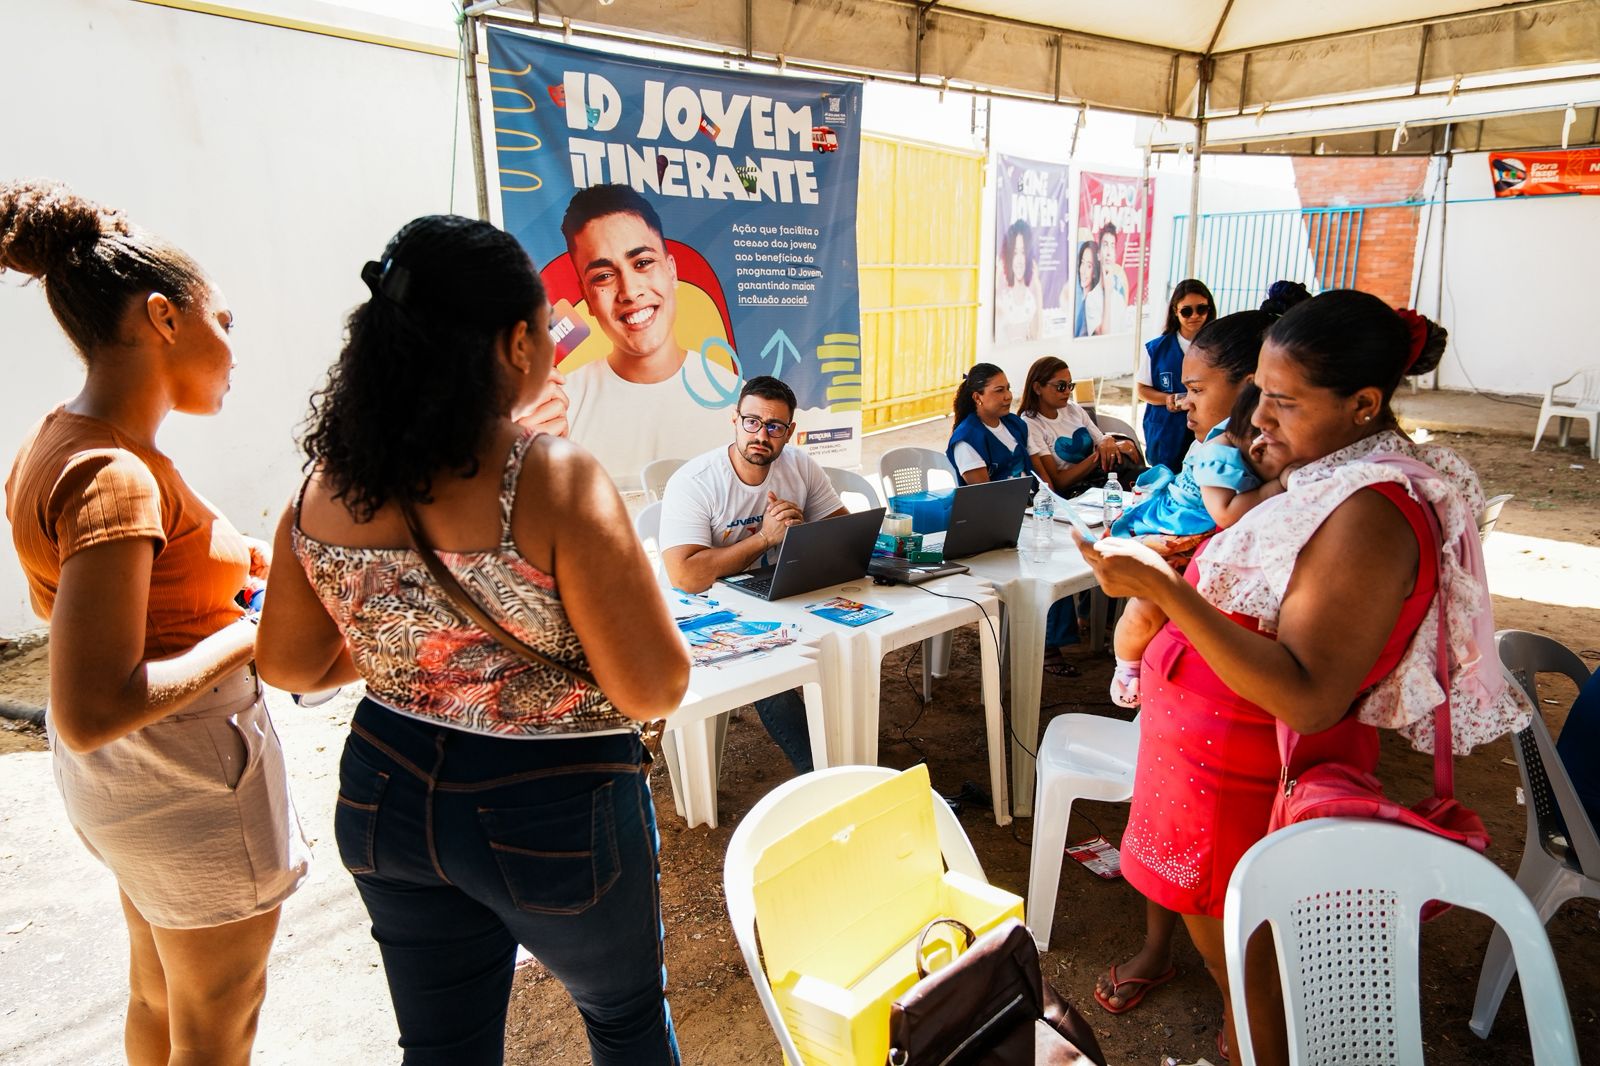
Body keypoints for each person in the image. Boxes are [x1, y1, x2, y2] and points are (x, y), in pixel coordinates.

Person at [255, 214, 689, 1065]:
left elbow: (291, 662)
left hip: (385, 789)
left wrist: (415, 637)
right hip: (553, 803)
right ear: (516, 341)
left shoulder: (326, 485)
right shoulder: (551, 477)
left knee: (443, 1049)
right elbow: (652, 687)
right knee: (625, 1021)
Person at [1076, 291, 1531, 1065]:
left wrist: (1167, 593)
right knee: (1227, 935)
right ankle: (1248, 1031)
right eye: (1261, 395)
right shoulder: (1330, 478)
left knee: (1249, 942)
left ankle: (1264, 1045)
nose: (1258, 422)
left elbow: (1311, 695)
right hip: (1211, 764)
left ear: (1363, 404)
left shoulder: (1370, 510)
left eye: (1283, 403)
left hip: (1246, 772)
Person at [1, 180, 308, 1066]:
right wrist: (256, 634)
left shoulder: (60, 439)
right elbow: (97, 700)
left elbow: (131, 581)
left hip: (123, 791)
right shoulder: (115, 475)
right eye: (227, 322)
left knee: (158, 994)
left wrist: (237, 556)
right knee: (219, 1023)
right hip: (184, 781)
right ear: (167, 318)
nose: (234, 350)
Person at [658, 375, 845, 773]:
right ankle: (826, 776)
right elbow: (686, 577)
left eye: (775, 426)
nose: (761, 435)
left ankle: (849, 752)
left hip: (776, 591)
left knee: (848, 642)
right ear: (735, 420)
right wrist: (765, 538)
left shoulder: (800, 466)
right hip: (700, 611)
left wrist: (803, 532)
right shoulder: (695, 482)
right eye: (752, 422)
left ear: (790, 432)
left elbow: (842, 530)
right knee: (770, 670)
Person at [521, 184, 738, 491]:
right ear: (587, 297)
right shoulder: (559, 408)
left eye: (642, 263)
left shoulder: (735, 399)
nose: (630, 291)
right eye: (603, 276)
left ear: (672, 271)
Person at [1018, 355, 1142, 497]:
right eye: (1061, 386)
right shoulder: (1031, 423)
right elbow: (1058, 481)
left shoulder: (1073, 409)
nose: (1067, 391)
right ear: (1037, 388)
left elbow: (1101, 441)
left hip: (1101, 480)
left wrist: (1109, 440)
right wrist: (1097, 456)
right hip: (1076, 492)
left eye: (1070, 385)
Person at [1140, 280, 1214, 471]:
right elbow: (1142, 390)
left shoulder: (1220, 347)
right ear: (1175, 311)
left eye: (1201, 309)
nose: (1195, 316)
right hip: (1167, 430)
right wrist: (1168, 398)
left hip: (1207, 428)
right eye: (1187, 311)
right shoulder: (1156, 349)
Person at [947, 363, 1030, 483]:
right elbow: (986, 496)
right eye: (999, 391)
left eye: (1008, 388)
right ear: (977, 398)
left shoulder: (1015, 423)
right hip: (1000, 501)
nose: (1008, 396)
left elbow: (1036, 469)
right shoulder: (967, 439)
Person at [996, 219, 1043, 343]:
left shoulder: (1031, 301)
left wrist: (1038, 290)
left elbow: (1036, 335)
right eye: (1015, 252)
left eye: (1023, 252)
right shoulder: (1003, 299)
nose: (1019, 260)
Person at [1097, 223, 1131, 334]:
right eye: (1105, 245)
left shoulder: (1119, 299)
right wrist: (1107, 292)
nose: (1108, 252)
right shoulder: (1091, 298)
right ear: (1098, 254)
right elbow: (1103, 335)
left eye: (1112, 246)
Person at [1071, 240, 1104, 339]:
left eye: (1089, 266)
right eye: (1082, 263)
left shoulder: (1090, 303)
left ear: (1094, 272)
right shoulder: (1081, 303)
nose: (1083, 270)